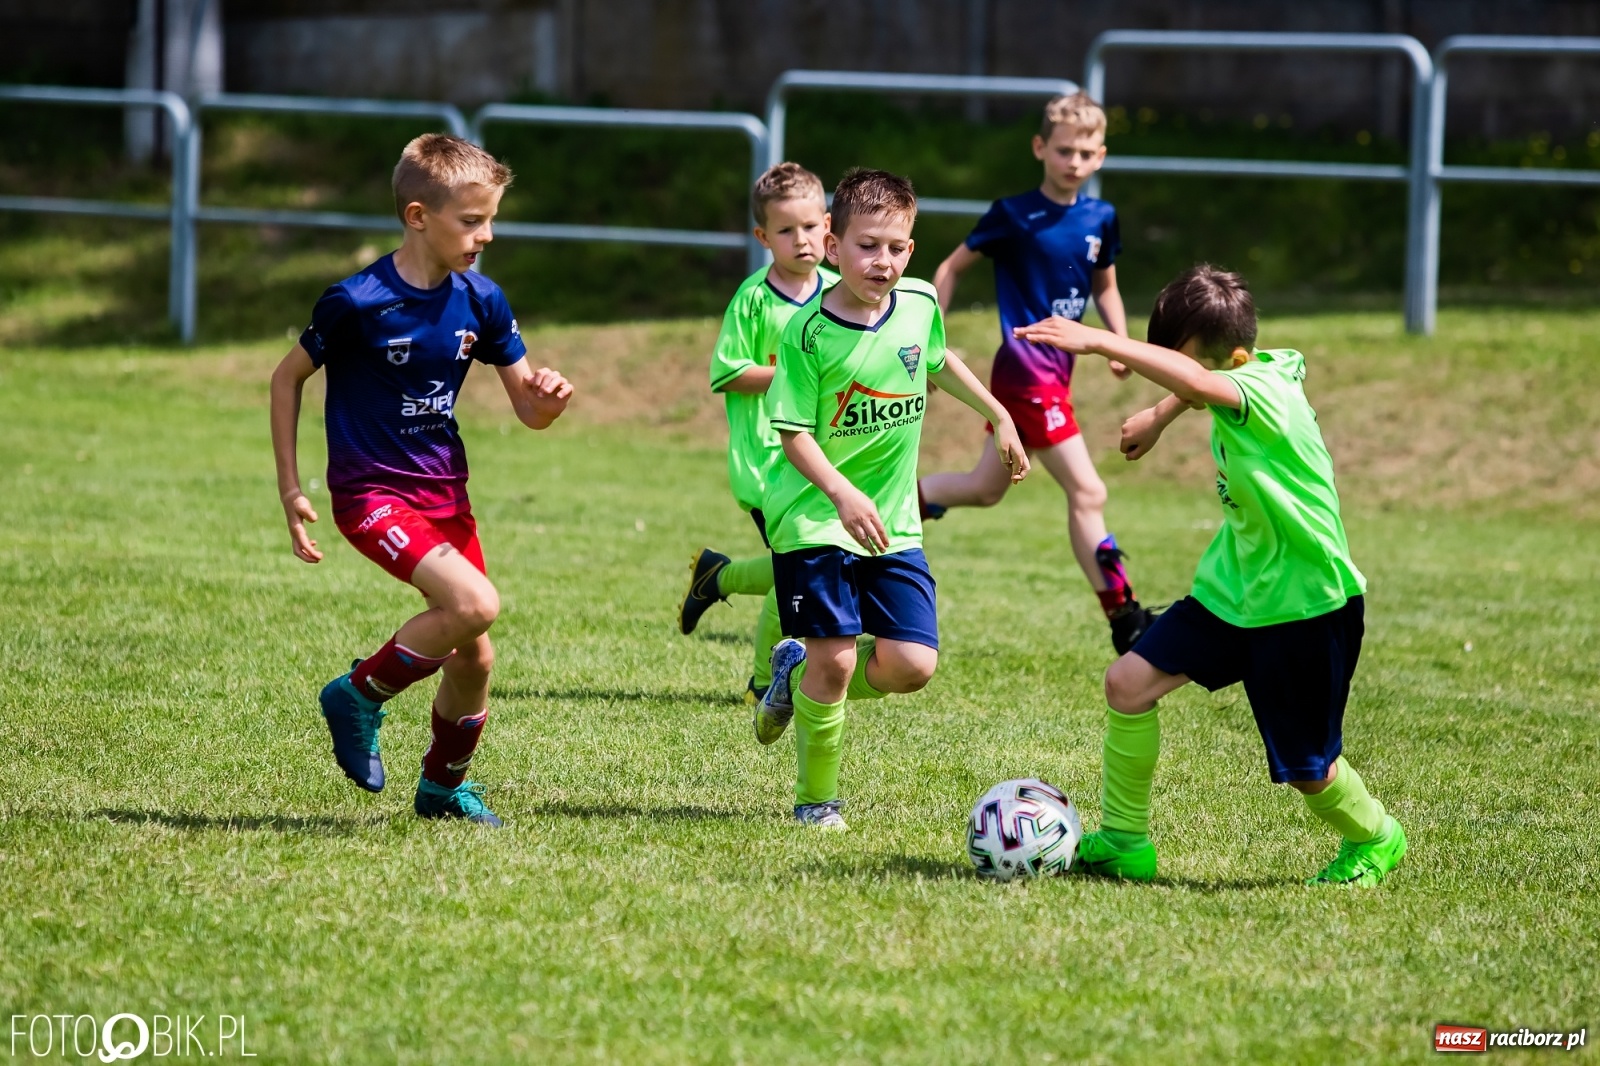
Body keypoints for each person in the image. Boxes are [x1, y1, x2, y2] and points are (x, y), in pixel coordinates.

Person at [1012, 265, 1406, 886]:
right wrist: (1161, 415)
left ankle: (1377, 836)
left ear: (1235, 359)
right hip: (1233, 590)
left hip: (1305, 604)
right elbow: (1199, 379)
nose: (1168, 373)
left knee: (1310, 771)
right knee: (1128, 684)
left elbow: (1201, 379)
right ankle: (1124, 841)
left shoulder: (1268, 397)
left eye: (1174, 363)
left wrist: (1098, 341)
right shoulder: (1254, 367)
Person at [269, 133, 573, 827]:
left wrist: (548, 400)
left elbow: (527, 407)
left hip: (445, 494)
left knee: (474, 657)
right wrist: (291, 487)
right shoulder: (358, 301)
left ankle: (441, 790)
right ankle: (357, 694)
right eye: (471, 221)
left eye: (491, 219)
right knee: (474, 604)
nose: (485, 235)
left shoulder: (483, 300)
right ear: (417, 217)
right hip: (370, 492)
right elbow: (286, 378)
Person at [753, 168, 1031, 830]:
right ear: (831, 244)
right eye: (868, 245)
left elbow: (938, 361)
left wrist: (999, 413)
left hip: (895, 523)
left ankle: (794, 678)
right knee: (839, 658)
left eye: (898, 247)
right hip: (816, 516)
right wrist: (843, 494)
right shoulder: (808, 333)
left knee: (911, 665)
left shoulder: (918, 305)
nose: (884, 261)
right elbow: (792, 436)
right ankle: (816, 800)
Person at [917, 92, 1155, 654]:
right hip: (1025, 369)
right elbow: (949, 268)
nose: (1074, 161)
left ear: (1100, 157)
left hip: (1058, 370)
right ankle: (1124, 615)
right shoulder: (1013, 214)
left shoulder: (1102, 218)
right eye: (1064, 150)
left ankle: (890, 510)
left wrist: (1118, 343)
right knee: (1088, 488)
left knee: (983, 489)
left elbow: (1106, 286)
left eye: (1087, 152)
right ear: (1040, 148)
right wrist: (931, 336)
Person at [677, 163, 838, 704]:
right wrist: (795, 375)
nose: (802, 240)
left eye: (811, 227)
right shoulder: (753, 299)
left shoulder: (841, 294)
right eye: (787, 231)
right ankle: (764, 682)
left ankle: (715, 578)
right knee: (798, 569)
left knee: (798, 566)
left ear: (829, 227)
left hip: (823, 458)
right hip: (767, 464)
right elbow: (727, 372)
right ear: (763, 237)